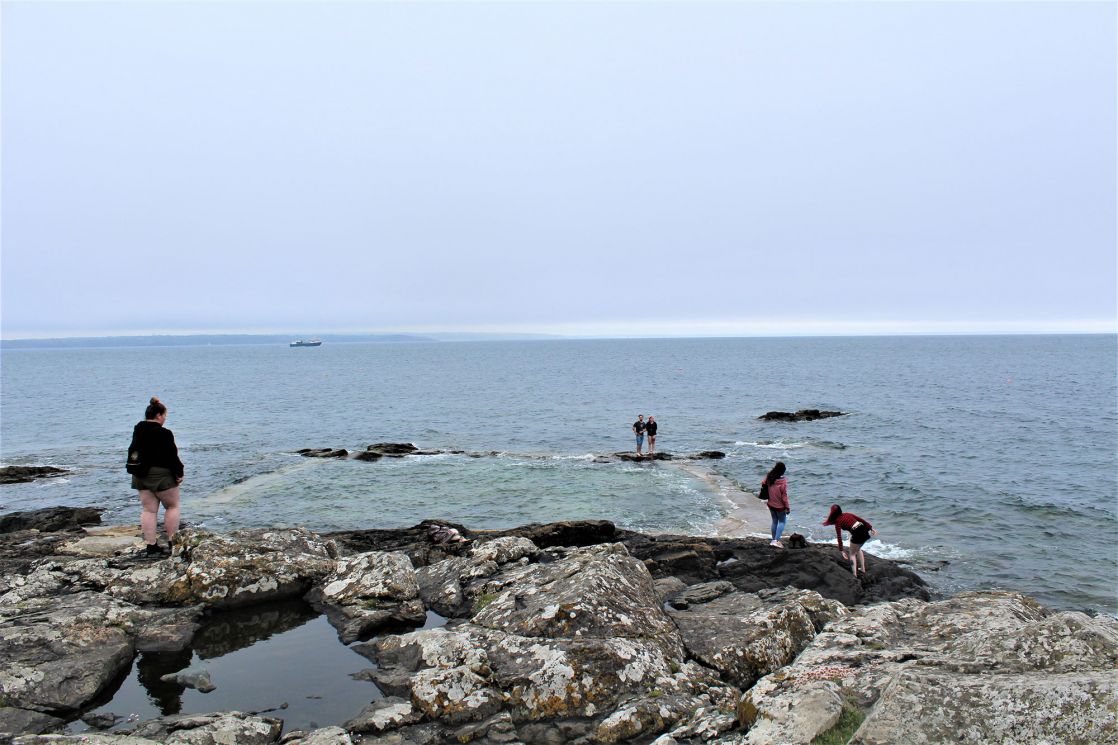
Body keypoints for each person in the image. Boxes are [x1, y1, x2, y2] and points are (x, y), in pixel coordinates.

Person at [128, 396, 184, 555]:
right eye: (164, 415)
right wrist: (179, 473)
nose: (165, 419)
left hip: (140, 475)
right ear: (159, 415)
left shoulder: (138, 430)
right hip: (161, 475)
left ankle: (151, 545)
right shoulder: (164, 433)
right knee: (172, 506)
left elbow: (133, 452)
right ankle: (173, 542)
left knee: (149, 510)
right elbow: (171, 456)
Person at [823, 504, 878, 578]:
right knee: (858, 549)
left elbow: (839, 537)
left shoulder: (838, 523)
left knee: (852, 554)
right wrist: (871, 528)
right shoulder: (847, 514)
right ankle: (863, 569)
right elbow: (861, 520)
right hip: (864, 530)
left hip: (857, 534)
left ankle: (854, 575)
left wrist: (841, 550)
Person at [762, 461, 790, 547]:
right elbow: (784, 495)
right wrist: (787, 507)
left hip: (771, 503)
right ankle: (776, 541)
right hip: (780, 506)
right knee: (782, 522)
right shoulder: (783, 481)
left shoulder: (770, 477)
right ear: (782, 471)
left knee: (774, 521)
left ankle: (773, 540)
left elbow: (763, 483)